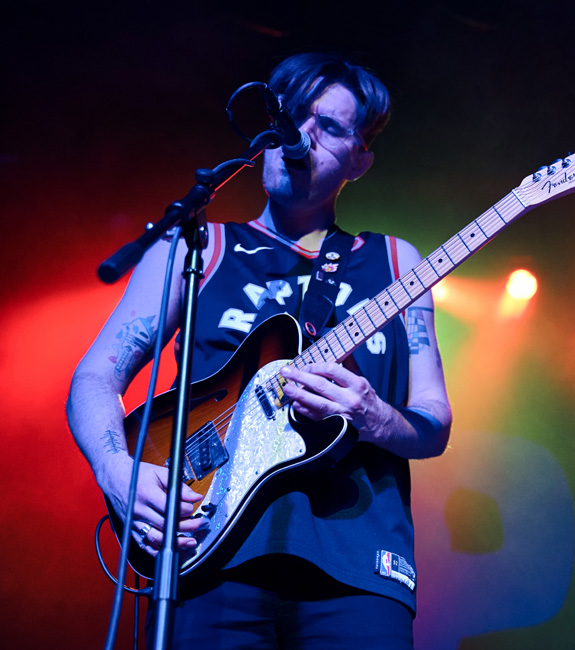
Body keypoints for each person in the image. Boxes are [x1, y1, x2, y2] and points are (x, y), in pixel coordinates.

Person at [66, 52, 452, 648]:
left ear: (361, 159)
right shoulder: (199, 247)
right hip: (205, 555)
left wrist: (373, 414)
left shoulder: (397, 263)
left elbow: (434, 422)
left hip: (358, 569)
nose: (302, 133)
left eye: (328, 126)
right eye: (293, 115)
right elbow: (96, 376)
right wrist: (115, 469)